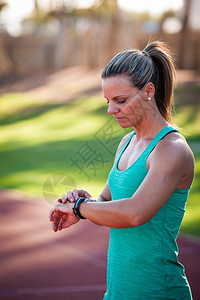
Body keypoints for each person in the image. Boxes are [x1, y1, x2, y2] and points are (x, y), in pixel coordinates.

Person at [49, 41, 195, 299]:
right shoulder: (127, 142)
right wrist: (85, 204)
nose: (110, 110)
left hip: (158, 291)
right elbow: (106, 201)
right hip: (118, 291)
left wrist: (79, 207)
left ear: (149, 91)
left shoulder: (171, 149)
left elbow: (135, 213)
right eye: (108, 100)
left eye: (120, 100)